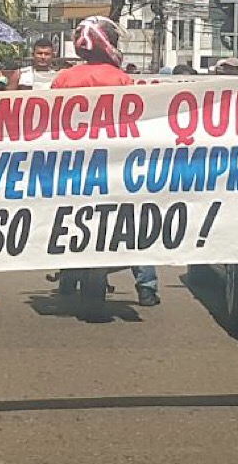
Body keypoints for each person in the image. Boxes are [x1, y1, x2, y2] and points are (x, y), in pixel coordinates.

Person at [52, 16, 160, 306]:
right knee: (133, 222)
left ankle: (66, 274)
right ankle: (146, 285)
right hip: (117, 164)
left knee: (68, 221)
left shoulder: (64, 78)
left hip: (72, 165)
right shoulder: (121, 78)